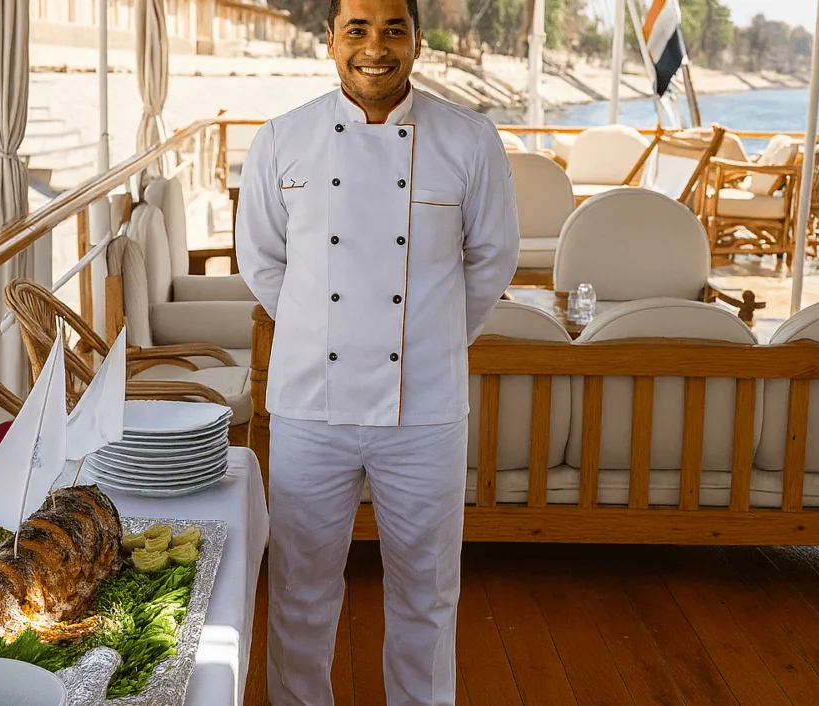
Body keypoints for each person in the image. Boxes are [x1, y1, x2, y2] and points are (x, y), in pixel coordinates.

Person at [234, 0, 520, 700]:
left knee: (426, 594)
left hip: (424, 409)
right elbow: (264, 262)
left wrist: (430, 336)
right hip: (309, 406)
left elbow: (492, 259)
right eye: (357, 29)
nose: (376, 46)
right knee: (300, 591)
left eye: (394, 28)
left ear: (418, 42)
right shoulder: (280, 139)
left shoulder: (470, 139)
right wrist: (318, 330)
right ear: (329, 40)